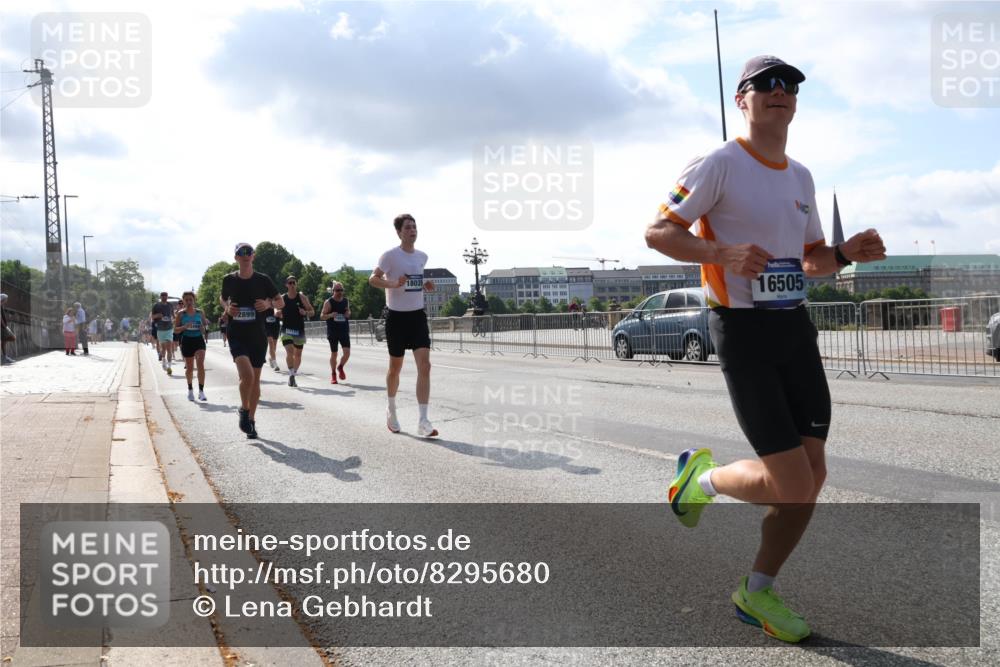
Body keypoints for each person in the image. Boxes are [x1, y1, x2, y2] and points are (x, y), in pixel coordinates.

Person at [645, 55, 886, 644]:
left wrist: (846, 254)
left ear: (796, 104)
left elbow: (810, 261)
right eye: (765, 84)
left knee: (814, 473)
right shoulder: (718, 163)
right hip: (744, 330)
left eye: (790, 86)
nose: (779, 92)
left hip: (794, 328)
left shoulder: (800, 176)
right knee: (794, 483)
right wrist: (720, 254)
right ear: (742, 100)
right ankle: (697, 484)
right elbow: (658, 232)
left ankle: (756, 592)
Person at [369, 213, 438, 437]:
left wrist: (426, 284)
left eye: (414, 227)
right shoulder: (390, 256)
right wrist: (392, 283)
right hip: (396, 318)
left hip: (417, 316)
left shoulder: (422, 257)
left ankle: (423, 420)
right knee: (395, 368)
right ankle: (391, 409)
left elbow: (415, 282)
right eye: (408, 227)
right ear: (399, 232)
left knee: (425, 366)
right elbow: (373, 279)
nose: (412, 230)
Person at [220, 242, 283, 439]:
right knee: (247, 376)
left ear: (253, 256)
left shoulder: (263, 280)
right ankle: (244, 411)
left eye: (249, 252)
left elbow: (280, 302)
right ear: (236, 257)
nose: (245, 255)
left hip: (258, 336)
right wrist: (227, 307)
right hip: (237, 334)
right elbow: (223, 299)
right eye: (241, 252)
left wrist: (268, 303)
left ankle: (251, 420)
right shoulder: (228, 280)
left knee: (255, 381)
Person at [278, 275, 314, 387]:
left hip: (299, 329)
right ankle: (291, 373)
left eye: (294, 282)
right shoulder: (282, 297)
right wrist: (277, 312)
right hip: (286, 329)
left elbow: (312, 311)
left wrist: (306, 313)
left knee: (298, 355)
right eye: (290, 283)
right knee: (290, 352)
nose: (292, 285)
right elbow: (275, 307)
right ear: (286, 285)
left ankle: (292, 375)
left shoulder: (302, 297)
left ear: (296, 284)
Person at [174, 291, 208, 401]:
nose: (188, 302)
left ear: (194, 300)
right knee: (189, 368)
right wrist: (184, 327)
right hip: (187, 340)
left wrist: (202, 328)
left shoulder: (200, 312)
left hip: (198, 340)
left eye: (190, 300)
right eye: (186, 300)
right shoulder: (180, 314)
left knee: (200, 364)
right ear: (183, 301)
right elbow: (176, 330)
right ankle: (190, 390)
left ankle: (201, 391)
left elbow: (204, 327)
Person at [320, 281, 351, 383]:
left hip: (344, 330)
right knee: (334, 354)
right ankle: (333, 374)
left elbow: (348, 312)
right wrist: (330, 315)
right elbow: (322, 316)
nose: (340, 292)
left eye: (341, 290)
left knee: (347, 353)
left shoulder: (346, 301)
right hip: (333, 331)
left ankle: (340, 367)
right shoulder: (328, 302)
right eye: (337, 290)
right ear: (333, 291)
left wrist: (347, 313)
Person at [151, 292, 175, 374]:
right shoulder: (156, 306)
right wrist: (158, 315)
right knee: (163, 348)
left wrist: (173, 320)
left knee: (169, 348)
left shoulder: (170, 305)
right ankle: (163, 360)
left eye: (166, 296)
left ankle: (169, 366)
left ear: (167, 297)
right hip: (160, 329)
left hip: (169, 328)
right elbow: (152, 317)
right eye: (163, 296)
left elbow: (173, 315)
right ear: (160, 297)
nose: (164, 297)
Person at [1, 293, 16, 364]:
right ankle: (4, 357)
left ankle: (4, 357)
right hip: (2, 326)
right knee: (12, 337)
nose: (6, 300)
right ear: (3, 299)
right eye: (6, 299)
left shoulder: (1, 306)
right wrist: (5, 327)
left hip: (3, 326)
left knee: (5, 340)